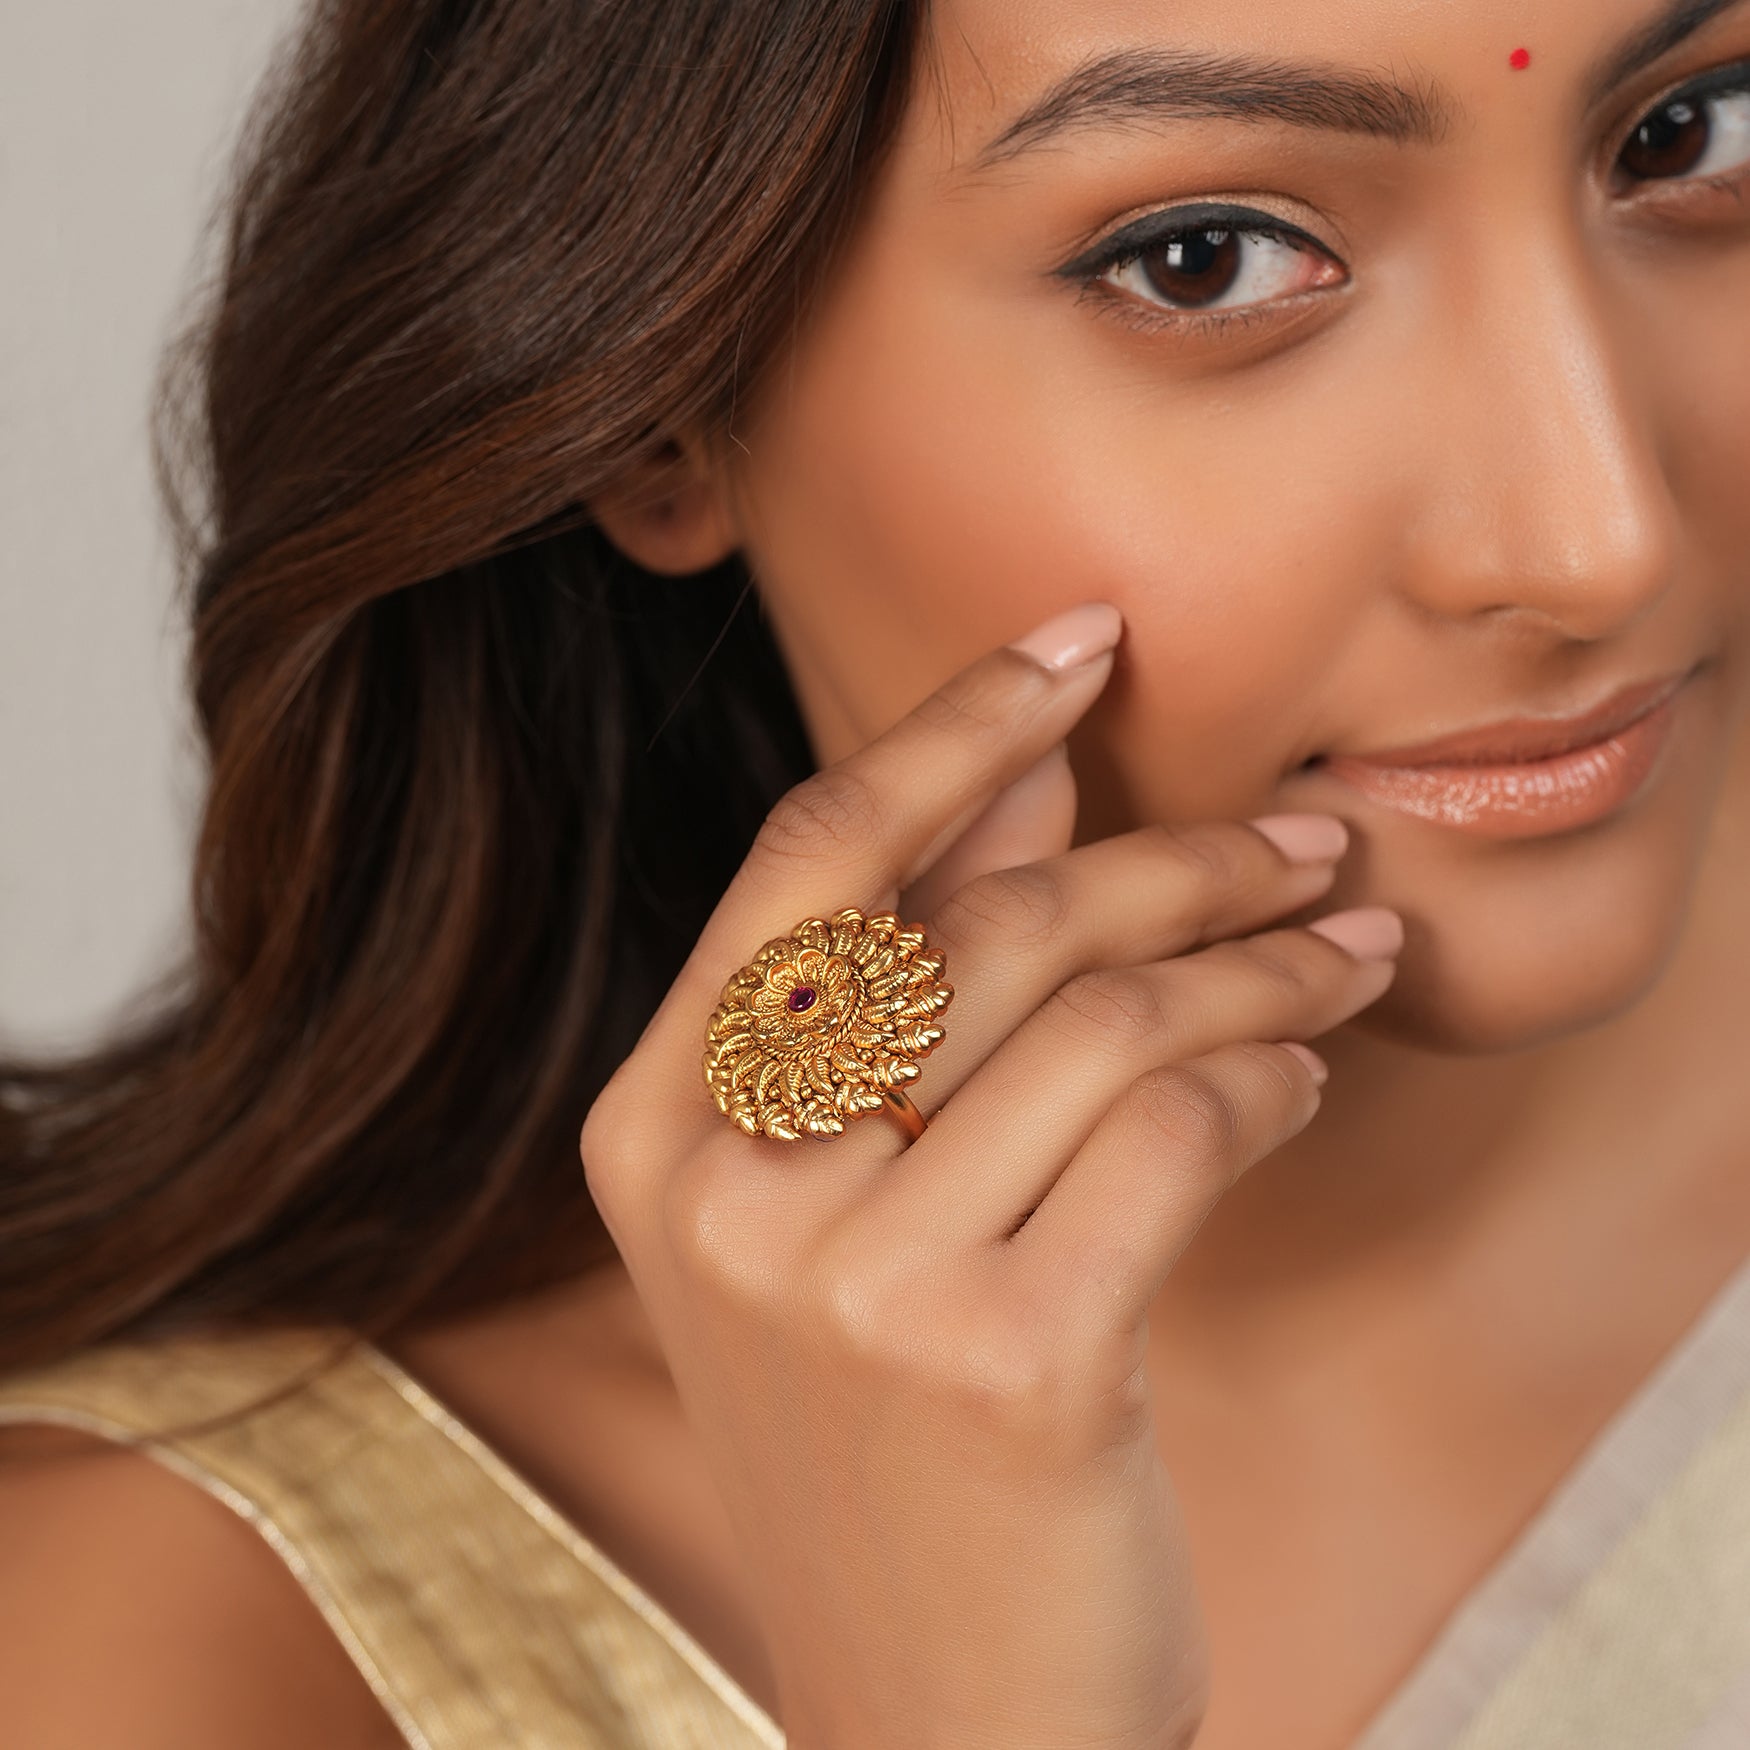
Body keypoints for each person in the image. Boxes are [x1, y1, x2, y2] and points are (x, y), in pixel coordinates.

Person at [2, 0, 1748, 1744]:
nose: (1599, 539)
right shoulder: (167, 1629)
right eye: (1205, 262)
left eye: (1687, 134)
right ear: (657, 411)